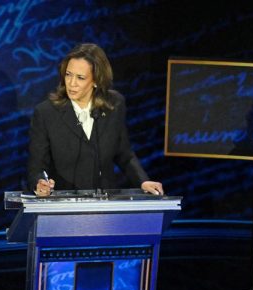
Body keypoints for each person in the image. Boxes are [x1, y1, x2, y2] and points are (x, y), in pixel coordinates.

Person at [26, 43, 164, 198]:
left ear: (96, 80)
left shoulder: (114, 104)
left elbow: (123, 152)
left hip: (104, 204)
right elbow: (36, 167)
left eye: (80, 77)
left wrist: (142, 181)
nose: (71, 83)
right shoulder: (46, 112)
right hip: (62, 204)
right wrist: (40, 184)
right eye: (68, 74)